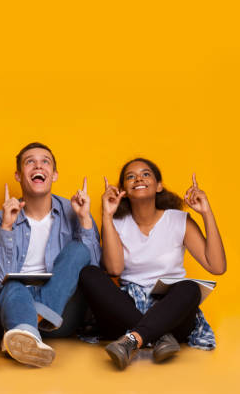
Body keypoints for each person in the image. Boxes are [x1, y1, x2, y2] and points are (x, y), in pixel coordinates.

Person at [79, 158, 226, 370]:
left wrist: (206, 213)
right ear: (123, 191)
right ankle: (158, 336)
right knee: (89, 274)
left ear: (158, 186)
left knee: (190, 288)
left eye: (146, 174)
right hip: (124, 314)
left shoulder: (178, 220)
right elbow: (114, 270)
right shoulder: (116, 223)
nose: (138, 178)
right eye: (131, 176)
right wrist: (107, 216)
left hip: (171, 313)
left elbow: (217, 266)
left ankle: (132, 340)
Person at [0, 142, 101, 367]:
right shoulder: (4, 217)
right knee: (13, 285)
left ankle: (30, 328)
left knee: (79, 250)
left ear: (54, 174)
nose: (38, 166)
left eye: (45, 161)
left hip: (60, 315)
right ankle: (27, 330)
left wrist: (85, 221)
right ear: (19, 175)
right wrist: (7, 229)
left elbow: (93, 271)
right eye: (30, 162)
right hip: (12, 306)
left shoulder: (76, 211)